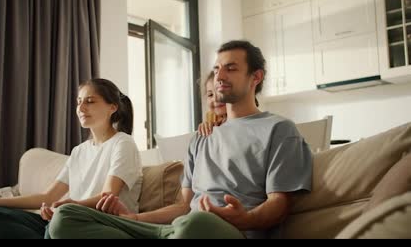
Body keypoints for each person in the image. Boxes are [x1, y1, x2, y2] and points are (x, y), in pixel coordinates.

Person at [47, 40, 312, 239]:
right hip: (177, 229)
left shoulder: (279, 129)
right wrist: (134, 218)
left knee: (194, 224)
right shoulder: (202, 136)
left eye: (230, 69)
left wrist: (245, 219)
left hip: (226, 232)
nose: (219, 77)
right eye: (217, 69)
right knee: (66, 217)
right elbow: (183, 205)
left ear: (256, 77)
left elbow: (279, 205)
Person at [0, 78, 143, 239]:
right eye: (78, 102)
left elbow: (107, 197)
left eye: (90, 101)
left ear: (112, 107)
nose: (81, 108)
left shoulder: (122, 143)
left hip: (101, 224)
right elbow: (48, 196)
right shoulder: (79, 151)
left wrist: (66, 207)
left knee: (61, 221)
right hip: (68, 220)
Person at [198, 71, 259, 136]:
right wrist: (205, 126)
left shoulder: (244, 118)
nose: (215, 99)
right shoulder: (211, 119)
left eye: (220, 92)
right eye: (210, 95)